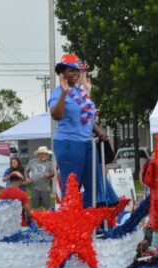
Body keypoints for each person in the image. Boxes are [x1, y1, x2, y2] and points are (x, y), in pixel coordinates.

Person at [49, 53, 118, 208]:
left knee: (94, 184)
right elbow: (56, 115)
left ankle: (90, 222)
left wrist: (100, 133)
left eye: (77, 70)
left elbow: (87, 118)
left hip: (87, 142)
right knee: (72, 186)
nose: (75, 73)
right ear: (63, 73)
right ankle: (70, 224)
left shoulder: (81, 92)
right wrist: (65, 92)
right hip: (69, 143)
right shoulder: (58, 92)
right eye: (71, 70)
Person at [25, 146, 55, 210]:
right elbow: (26, 171)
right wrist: (27, 178)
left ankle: (47, 219)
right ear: (39, 154)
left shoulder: (49, 163)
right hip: (34, 188)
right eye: (43, 154)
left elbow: (53, 174)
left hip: (45, 188)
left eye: (46, 154)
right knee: (35, 206)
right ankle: (36, 219)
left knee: (47, 206)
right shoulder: (32, 162)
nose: (45, 155)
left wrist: (49, 175)